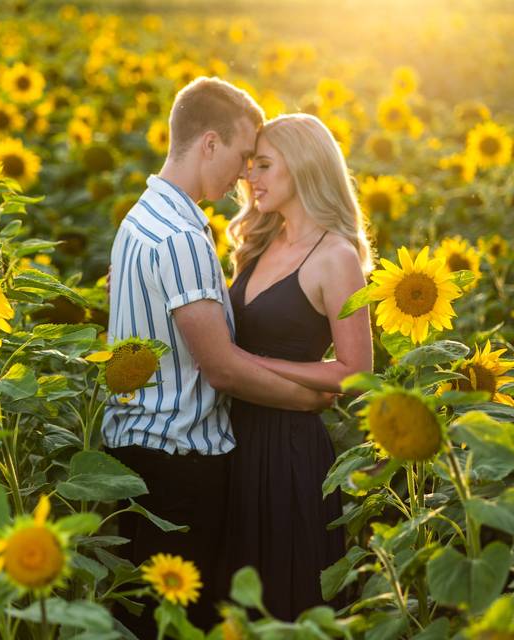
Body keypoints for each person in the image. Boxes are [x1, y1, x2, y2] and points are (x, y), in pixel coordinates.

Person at [102, 78, 331, 636]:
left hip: (132, 458)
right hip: (178, 467)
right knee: (175, 626)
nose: (243, 176)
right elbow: (221, 366)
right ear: (208, 143)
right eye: (241, 156)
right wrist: (309, 398)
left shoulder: (141, 218)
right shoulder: (181, 234)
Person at [224, 113, 374, 620]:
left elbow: (355, 373)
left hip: (291, 453)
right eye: (250, 166)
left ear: (304, 166)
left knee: (288, 601)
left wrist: (252, 364)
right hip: (233, 440)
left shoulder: (336, 256)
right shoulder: (261, 242)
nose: (250, 178)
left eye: (263, 165)